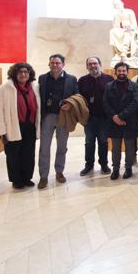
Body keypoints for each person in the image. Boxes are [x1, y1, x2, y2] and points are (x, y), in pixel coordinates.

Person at [0, 62, 40, 189]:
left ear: (30, 74)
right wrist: (1, 131)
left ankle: (27, 177)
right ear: (14, 74)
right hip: (12, 127)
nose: (23, 74)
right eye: (20, 72)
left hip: (30, 126)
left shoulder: (34, 87)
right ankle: (16, 180)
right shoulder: (4, 89)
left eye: (26, 72)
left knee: (29, 154)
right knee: (13, 155)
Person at [37, 54, 78, 189]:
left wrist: (70, 105)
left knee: (62, 146)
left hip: (63, 116)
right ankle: (43, 176)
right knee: (44, 148)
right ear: (49, 64)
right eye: (52, 63)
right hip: (47, 116)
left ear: (63, 64)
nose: (55, 65)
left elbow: (77, 96)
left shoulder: (71, 79)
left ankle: (59, 172)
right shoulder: (42, 78)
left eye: (57, 63)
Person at [103, 62, 138, 180]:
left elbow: (135, 102)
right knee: (115, 147)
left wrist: (121, 116)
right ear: (115, 72)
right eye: (119, 71)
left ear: (127, 72)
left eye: (124, 71)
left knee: (130, 147)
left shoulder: (134, 86)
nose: (121, 73)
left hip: (130, 121)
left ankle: (128, 169)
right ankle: (115, 169)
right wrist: (115, 116)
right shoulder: (109, 86)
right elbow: (105, 103)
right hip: (114, 122)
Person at [77, 56, 113, 176]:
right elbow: (78, 99)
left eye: (95, 63)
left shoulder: (109, 79)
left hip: (104, 117)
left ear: (100, 64)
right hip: (89, 118)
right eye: (90, 64)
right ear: (87, 66)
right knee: (89, 142)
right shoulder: (82, 80)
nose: (93, 66)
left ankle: (104, 164)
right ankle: (89, 165)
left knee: (103, 142)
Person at [109, 0, 138, 67]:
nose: (118, 6)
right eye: (116, 6)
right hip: (123, 30)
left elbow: (134, 24)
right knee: (112, 31)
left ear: (122, 4)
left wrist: (129, 27)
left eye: (118, 4)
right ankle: (119, 53)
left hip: (133, 30)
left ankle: (124, 52)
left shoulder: (130, 12)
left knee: (127, 33)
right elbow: (116, 26)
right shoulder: (117, 15)